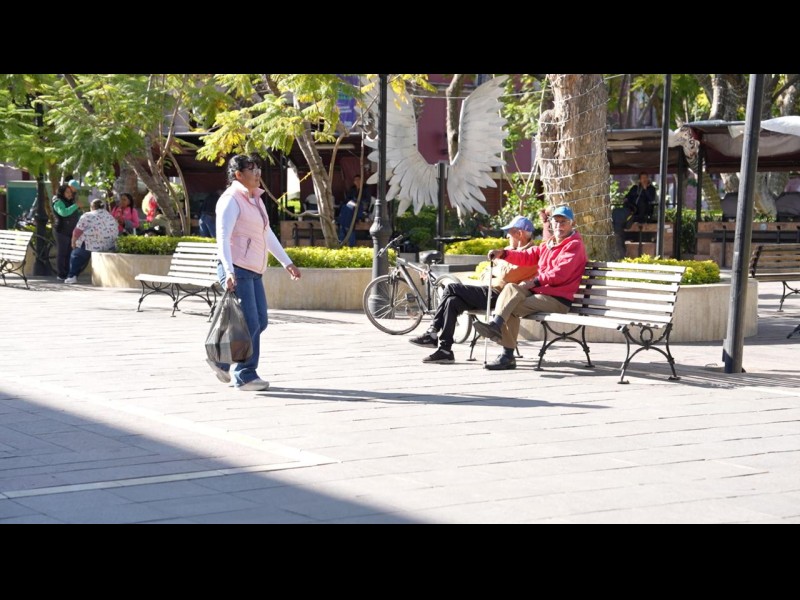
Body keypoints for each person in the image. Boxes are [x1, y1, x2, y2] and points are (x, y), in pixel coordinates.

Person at [206, 154, 302, 391]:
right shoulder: (230, 200)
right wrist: (229, 271)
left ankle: (221, 360)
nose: (258, 173)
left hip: (253, 270)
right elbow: (223, 238)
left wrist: (287, 262)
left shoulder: (255, 199)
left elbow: (266, 233)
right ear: (238, 175)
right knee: (250, 322)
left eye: (258, 168)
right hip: (237, 268)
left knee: (260, 321)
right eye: (252, 169)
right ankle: (245, 375)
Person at [409, 216, 539, 364]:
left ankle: (432, 332)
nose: (507, 236)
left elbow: (507, 275)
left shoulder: (531, 253)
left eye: (509, 233)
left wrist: (497, 267)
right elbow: (484, 273)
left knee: (451, 287)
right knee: (452, 301)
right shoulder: (508, 250)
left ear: (519, 234)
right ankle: (445, 350)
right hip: (489, 291)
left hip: (502, 297)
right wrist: (496, 269)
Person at [472, 205, 588, 370]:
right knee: (511, 288)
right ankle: (496, 326)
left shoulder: (574, 245)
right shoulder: (549, 244)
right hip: (541, 293)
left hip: (558, 299)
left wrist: (534, 282)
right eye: (556, 221)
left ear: (572, 224)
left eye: (563, 222)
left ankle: (507, 355)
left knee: (510, 306)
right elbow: (527, 256)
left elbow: (560, 273)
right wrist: (503, 254)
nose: (559, 225)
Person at [64, 198, 119, 284]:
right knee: (85, 247)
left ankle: (72, 276)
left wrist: (73, 242)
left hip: (92, 244)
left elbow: (77, 231)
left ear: (92, 207)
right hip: (109, 244)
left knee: (76, 254)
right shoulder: (109, 216)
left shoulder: (87, 215)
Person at [52, 182, 83, 281]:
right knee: (62, 253)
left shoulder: (71, 202)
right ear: (62, 193)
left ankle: (68, 273)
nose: (69, 194)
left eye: (70, 192)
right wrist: (75, 206)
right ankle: (61, 274)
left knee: (70, 253)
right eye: (67, 192)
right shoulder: (58, 202)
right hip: (61, 230)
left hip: (71, 230)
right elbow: (64, 213)